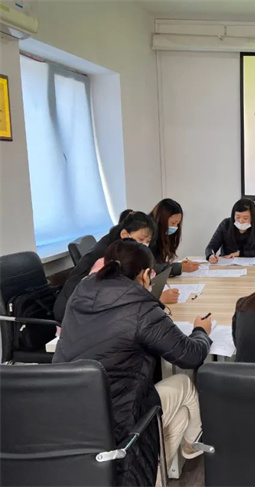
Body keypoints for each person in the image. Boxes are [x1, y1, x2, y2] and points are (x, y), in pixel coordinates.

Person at [53, 239, 213, 486]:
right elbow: (190, 355)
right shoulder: (140, 308)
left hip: (65, 414)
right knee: (184, 385)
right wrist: (201, 331)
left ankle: (153, 475)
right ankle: (191, 446)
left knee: (180, 416)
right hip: (117, 420)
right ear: (147, 275)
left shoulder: (82, 290)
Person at [53, 211, 156, 322]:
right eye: (141, 240)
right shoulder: (106, 257)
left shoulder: (120, 248)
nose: (144, 245)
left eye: (147, 241)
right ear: (124, 234)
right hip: (72, 313)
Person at [149, 199, 201, 304]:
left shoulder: (160, 234)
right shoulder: (149, 235)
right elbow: (151, 267)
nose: (175, 227)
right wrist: (178, 268)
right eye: (173, 223)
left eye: (177, 223)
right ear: (162, 219)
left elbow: (157, 263)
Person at [205, 198, 255, 262]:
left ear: (252, 217)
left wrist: (240, 253)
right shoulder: (225, 224)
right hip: (228, 263)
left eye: (245, 218)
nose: (241, 221)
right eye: (238, 217)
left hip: (252, 265)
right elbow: (210, 247)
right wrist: (210, 255)